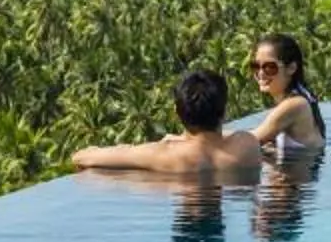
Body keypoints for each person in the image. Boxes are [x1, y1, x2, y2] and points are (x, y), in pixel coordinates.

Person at [69, 68, 264, 177]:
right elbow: (219, 141)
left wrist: (175, 142)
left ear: (176, 113)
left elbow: (82, 157)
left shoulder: (165, 154)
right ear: (225, 111)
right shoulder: (247, 146)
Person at [243, 33, 327, 157]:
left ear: (291, 68)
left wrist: (210, 134)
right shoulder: (300, 98)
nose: (261, 73)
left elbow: (248, 141)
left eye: (270, 67)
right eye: (256, 66)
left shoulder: (294, 105)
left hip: (293, 174)